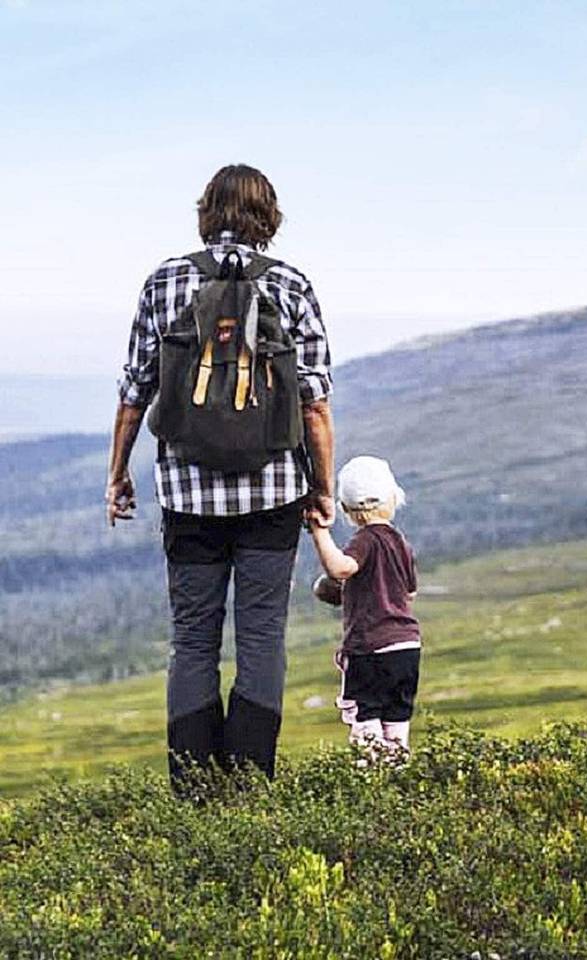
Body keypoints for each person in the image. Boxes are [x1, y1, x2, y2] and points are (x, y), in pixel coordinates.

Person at [105, 164, 335, 789]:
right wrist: (322, 488)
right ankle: (250, 787)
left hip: (187, 494)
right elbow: (314, 402)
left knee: (193, 639)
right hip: (272, 494)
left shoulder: (165, 281)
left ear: (206, 211)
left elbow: (135, 388)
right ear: (270, 215)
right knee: (261, 635)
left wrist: (118, 474)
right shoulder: (291, 285)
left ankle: (193, 791)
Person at [310, 456, 422, 753]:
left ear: (346, 509)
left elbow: (342, 568)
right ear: (394, 498)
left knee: (366, 722)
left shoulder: (366, 540)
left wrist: (319, 532)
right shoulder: (401, 543)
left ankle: (370, 786)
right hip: (406, 648)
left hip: (370, 648)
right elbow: (409, 594)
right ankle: (398, 779)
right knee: (397, 723)